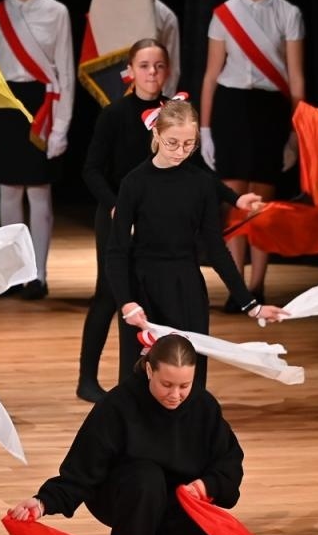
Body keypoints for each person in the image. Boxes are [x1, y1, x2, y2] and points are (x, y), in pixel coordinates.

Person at [79, 42, 263, 403]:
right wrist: (116, 205)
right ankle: (89, 378)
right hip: (118, 210)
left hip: (158, 213)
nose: (152, 72)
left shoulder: (175, 113)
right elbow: (92, 169)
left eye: (159, 66)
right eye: (144, 66)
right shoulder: (115, 114)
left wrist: (234, 198)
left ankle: (173, 388)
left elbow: (196, 176)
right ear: (131, 70)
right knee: (112, 295)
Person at [7, 334, 242, 535]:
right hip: (122, 494)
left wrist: (205, 486)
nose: (175, 395)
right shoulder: (118, 405)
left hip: (173, 499)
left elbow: (228, 461)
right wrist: (43, 502)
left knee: (202, 523)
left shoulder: (204, 407)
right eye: (166, 384)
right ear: (148, 369)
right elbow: (81, 469)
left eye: (184, 386)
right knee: (146, 477)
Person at [107, 99, 287, 390]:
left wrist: (251, 304)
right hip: (142, 289)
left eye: (189, 144)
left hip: (186, 289)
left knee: (188, 376)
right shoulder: (134, 183)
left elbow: (216, 250)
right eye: (172, 143)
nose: (180, 152)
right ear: (156, 135)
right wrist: (126, 302)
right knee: (139, 378)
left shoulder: (201, 184)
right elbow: (116, 251)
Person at [199, 0, 306, 303]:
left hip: (270, 110)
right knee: (234, 200)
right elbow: (211, 75)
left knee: (263, 202)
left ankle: (258, 284)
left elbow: (296, 77)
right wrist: (206, 129)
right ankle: (236, 285)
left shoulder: (289, 13)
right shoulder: (225, 13)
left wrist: (295, 132)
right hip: (230, 106)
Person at [0, 0, 74, 299]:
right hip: (5, 103)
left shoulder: (57, 12)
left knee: (40, 191)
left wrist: (61, 126)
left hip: (41, 104)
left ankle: (40, 276)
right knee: (9, 191)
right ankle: (13, 275)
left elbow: (65, 70)